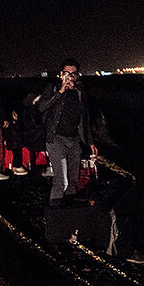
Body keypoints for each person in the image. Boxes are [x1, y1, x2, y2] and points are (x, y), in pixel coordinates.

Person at [36, 59, 98, 205]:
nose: (70, 76)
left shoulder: (80, 93)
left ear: (77, 76)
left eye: (73, 73)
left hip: (74, 140)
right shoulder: (52, 88)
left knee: (73, 182)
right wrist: (60, 91)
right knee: (61, 181)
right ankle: (55, 216)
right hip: (56, 138)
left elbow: (84, 120)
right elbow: (41, 107)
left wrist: (90, 142)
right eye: (66, 73)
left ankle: (69, 213)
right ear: (61, 74)